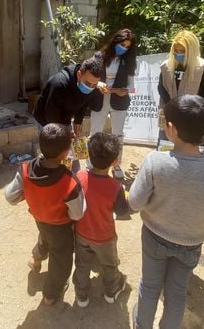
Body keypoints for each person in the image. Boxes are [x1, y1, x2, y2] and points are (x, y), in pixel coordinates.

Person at [128, 95, 204, 329]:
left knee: (150, 287)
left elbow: (134, 202)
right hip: (191, 244)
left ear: (170, 128)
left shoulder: (155, 161)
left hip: (154, 236)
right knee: (176, 293)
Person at [4, 123, 86, 305]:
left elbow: (10, 196)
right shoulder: (70, 181)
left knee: (45, 236)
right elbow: (78, 214)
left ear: (41, 147)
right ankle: (50, 295)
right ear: (66, 153)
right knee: (61, 261)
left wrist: (28, 192)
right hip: (61, 227)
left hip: (40, 218)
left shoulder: (25, 170)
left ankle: (36, 259)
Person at [72, 132, 130, 308]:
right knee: (110, 265)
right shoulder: (116, 187)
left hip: (81, 233)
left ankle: (81, 296)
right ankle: (110, 293)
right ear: (114, 162)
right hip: (105, 237)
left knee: (82, 265)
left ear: (89, 155)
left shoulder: (79, 177)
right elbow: (121, 210)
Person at [86, 28, 138, 179]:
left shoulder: (128, 61)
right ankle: (91, 163)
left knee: (118, 135)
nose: (124, 48)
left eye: (127, 46)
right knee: (95, 132)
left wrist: (124, 91)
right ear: (115, 41)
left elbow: (131, 86)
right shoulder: (99, 56)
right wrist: (99, 84)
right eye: (122, 44)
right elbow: (89, 78)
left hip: (119, 101)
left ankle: (116, 165)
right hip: (99, 99)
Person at [157, 30, 204, 155]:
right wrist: (172, 106)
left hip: (191, 115)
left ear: (191, 51)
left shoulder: (201, 66)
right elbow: (161, 88)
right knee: (165, 147)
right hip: (169, 113)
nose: (178, 54)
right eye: (176, 50)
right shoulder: (166, 65)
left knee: (190, 148)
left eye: (182, 51)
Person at [34, 56, 104, 139]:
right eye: (88, 83)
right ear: (79, 74)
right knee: (53, 148)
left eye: (94, 84)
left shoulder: (89, 83)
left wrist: (78, 120)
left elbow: (84, 101)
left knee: (67, 146)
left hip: (65, 117)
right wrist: (65, 132)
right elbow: (51, 116)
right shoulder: (59, 84)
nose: (91, 87)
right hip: (45, 120)